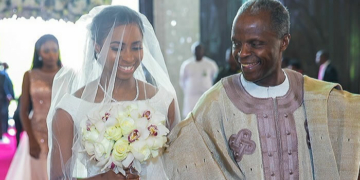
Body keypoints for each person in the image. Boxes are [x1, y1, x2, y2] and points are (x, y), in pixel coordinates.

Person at [163, 0, 360, 179]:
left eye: (255, 44)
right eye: (236, 43)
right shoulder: (215, 102)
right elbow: (177, 158)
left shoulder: (318, 97)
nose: (242, 53)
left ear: (284, 41)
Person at [46, 5, 180, 180]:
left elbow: (179, 169)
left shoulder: (163, 102)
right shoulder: (70, 110)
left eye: (136, 47)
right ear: (97, 47)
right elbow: (58, 178)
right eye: (117, 48)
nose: (129, 57)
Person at [6, 34, 62, 180]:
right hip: (37, 133)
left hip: (61, 133)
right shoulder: (29, 75)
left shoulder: (66, 74)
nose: (51, 54)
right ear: (39, 53)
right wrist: (31, 139)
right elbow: (23, 111)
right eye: (46, 50)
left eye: (54, 50)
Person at [179, 42, 218, 118]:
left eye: (200, 50)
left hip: (206, 95)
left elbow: (215, 79)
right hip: (191, 96)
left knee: (206, 116)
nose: (198, 52)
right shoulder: (187, 64)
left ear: (203, 51)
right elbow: (182, 81)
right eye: (196, 50)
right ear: (193, 51)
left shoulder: (210, 64)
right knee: (190, 118)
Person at [0, 62, 14, 140]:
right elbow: (4, 86)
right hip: (2, 100)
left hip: (3, 100)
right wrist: (7, 94)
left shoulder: (4, 74)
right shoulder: (3, 75)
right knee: (2, 116)